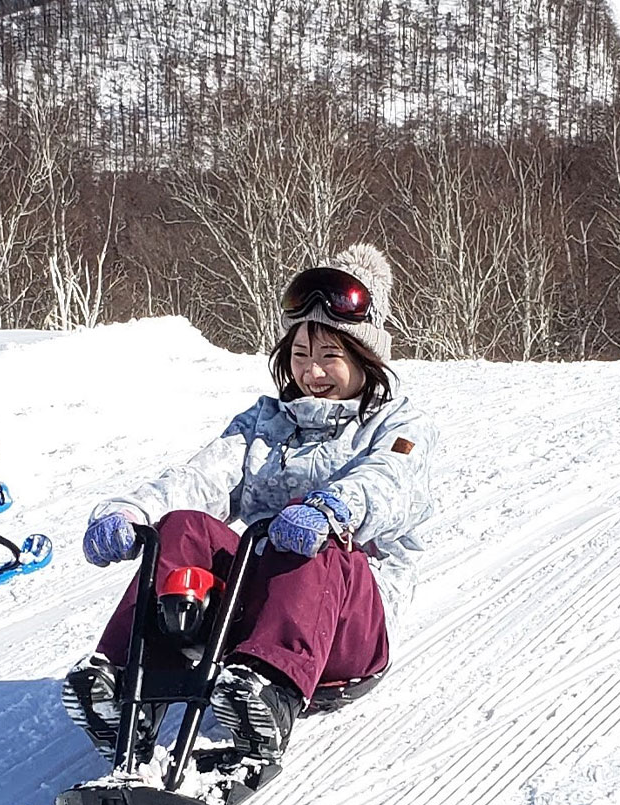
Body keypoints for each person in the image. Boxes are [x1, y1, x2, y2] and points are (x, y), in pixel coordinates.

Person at [64, 245, 435, 770]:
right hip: (258, 610)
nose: (313, 372)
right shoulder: (265, 421)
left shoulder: (399, 426)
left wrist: (331, 508)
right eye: (301, 356)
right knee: (184, 527)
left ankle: (269, 695)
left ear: (364, 357)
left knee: (314, 541)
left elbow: (391, 483)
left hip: (348, 629)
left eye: (330, 355)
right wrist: (130, 513)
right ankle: (129, 680)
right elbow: (199, 478)